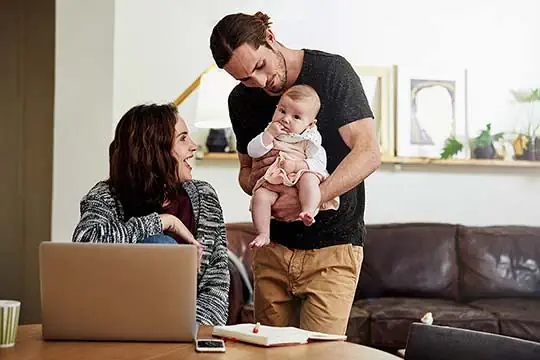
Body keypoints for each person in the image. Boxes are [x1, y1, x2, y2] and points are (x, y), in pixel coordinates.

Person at [210, 12, 381, 335]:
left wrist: (312, 200)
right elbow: (245, 174)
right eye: (244, 79)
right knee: (268, 356)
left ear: (270, 38)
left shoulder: (332, 73)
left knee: (321, 355)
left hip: (333, 249)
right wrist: (257, 177)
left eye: (260, 66)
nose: (259, 83)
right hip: (272, 250)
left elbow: (368, 153)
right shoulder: (241, 100)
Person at [72, 103, 230, 326]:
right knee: (159, 243)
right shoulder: (105, 195)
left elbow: (216, 281)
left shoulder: (203, 196)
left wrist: (190, 332)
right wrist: (162, 222)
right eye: (183, 138)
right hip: (116, 324)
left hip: (183, 326)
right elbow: (84, 246)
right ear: (155, 148)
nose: (193, 146)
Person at [247, 84, 339, 248]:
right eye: (282, 111)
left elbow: (319, 163)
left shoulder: (309, 140)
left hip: (298, 174)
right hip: (274, 179)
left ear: (310, 124)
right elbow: (253, 151)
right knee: (260, 195)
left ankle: (308, 210)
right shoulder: (271, 132)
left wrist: (297, 165)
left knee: (309, 179)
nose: (286, 119)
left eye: (296, 117)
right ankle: (263, 233)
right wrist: (268, 135)